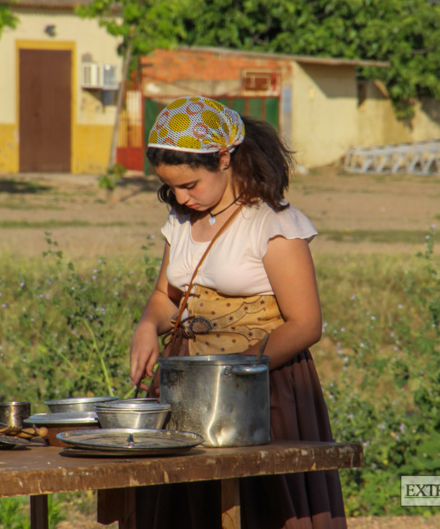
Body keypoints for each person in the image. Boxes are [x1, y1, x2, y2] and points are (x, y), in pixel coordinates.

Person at [129, 96, 347, 529]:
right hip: (188, 383)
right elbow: (166, 296)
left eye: (190, 184)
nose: (181, 196)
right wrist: (147, 326)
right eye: (171, 186)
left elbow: (306, 324)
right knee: (188, 504)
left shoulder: (272, 225)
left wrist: (239, 369)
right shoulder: (180, 221)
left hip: (262, 388)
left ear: (224, 158)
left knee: (259, 505)